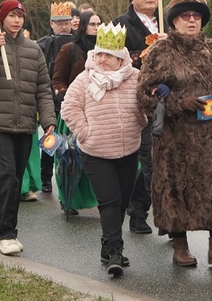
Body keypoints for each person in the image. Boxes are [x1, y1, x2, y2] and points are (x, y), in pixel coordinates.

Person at [137, 0, 212, 267]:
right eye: (186, 15)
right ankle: (180, 247)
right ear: (174, 21)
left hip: (210, 135)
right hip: (176, 137)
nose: (192, 20)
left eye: (196, 16)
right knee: (176, 189)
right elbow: (145, 94)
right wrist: (176, 102)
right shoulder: (162, 51)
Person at [0, 0, 56, 256]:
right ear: (1, 18)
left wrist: (48, 120)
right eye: (11, 16)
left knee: (16, 179)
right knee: (7, 175)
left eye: (20, 16)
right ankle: (7, 234)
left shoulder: (33, 49)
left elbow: (43, 87)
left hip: (25, 122)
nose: (16, 20)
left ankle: (4, 218)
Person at [61, 22, 146, 276]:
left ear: (120, 57)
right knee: (109, 201)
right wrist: (86, 133)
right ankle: (115, 252)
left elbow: (145, 104)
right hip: (96, 152)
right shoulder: (85, 78)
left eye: (108, 55)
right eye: (99, 53)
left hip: (129, 150)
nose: (102, 59)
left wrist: (141, 121)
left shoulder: (134, 77)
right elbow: (69, 108)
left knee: (121, 202)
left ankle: (106, 245)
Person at [113, 0, 166, 235]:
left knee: (166, 160)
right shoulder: (123, 24)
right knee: (149, 159)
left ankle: (163, 214)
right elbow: (114, 60)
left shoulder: (167, 22)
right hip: (140, 102)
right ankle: (138, 211)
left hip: (170, 101)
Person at [50, 10, 102, 216]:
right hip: (72, 111)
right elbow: (57, 80)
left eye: (99, 24)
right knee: (67, 157)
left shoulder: (105, 50)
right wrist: (68, 96)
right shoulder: (69, 49)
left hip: (97, 111)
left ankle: (95, 196)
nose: (96, 28)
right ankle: (67, 197)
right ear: (83, 26)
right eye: (92, 24)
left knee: (95, 157)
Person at [36, 1, 74, 194]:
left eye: (66, 22)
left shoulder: (77, 42)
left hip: (72, 97)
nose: (63, 26)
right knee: (51, 138)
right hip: (51, 99)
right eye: (59, 23)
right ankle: (45, 178)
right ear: (51, 23)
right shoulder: (44, 44)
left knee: (72, 142)